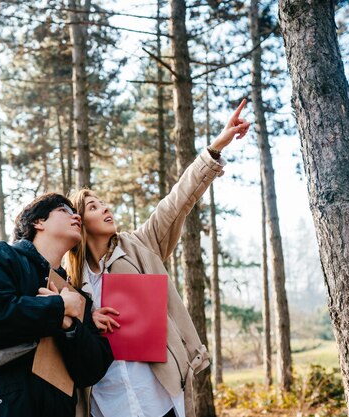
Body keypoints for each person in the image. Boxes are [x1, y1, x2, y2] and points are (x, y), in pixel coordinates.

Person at [66, 100, 250, 417]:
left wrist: (216, 147)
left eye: (104, 203)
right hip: (106, 402)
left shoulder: (140, 245)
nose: (106, 208)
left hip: (157, 396)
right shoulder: (70, 281)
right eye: (94, 207)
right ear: (80, 224)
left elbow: (177, 201)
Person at [0, 193, 114, 417]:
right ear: (39, 221)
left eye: (75, 212)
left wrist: (70, 326)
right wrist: (58, 308)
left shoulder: (76, 296)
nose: (75, 216)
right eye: (64, 210)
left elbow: (93, 369)